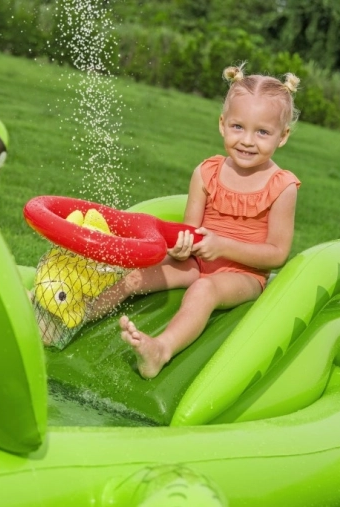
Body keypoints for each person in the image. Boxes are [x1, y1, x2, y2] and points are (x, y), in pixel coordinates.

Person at [90, 63, 302, 379]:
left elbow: (277, 254)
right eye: (238, 127)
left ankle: (160, 350)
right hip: (196, 262)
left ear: (282, 136)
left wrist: (223, 246)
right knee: (133, 276)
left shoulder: (282, 186)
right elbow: (188, 232)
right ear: (222, 124)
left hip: (244, 275)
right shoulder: (206, 173)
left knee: (204, 289)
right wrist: (180, 249)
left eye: (262, 132)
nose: (247, 140)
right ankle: (73, 316)